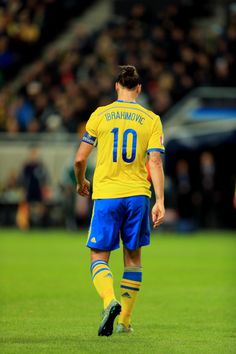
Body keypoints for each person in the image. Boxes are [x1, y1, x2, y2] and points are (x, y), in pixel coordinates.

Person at [74, 65, 165, 336]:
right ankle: (124, 320)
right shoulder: (151, 119)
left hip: (107, 195)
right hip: (138, 196)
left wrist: (81, 182)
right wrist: (159, 200)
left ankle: (108, 300)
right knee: (133, 258)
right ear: (138, 88)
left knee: (99, 256)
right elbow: (156, 160)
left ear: (116, 86)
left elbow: (80, 158)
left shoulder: (100, 115)